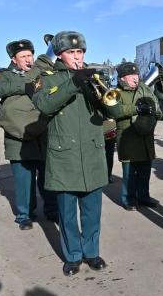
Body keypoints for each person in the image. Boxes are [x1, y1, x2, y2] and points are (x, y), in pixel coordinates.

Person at [32, 31, 108, 276]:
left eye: (80, 51)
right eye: (71, 52)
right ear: (60, 54)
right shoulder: (48, 78)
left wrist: (102, 91)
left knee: (92, 210)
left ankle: (92, 252)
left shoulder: (93, 76)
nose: (77, 56)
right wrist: (73, 83)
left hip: (92, 152)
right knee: (67, 213)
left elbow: (113, 111)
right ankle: (73, 255)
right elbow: (44, 105)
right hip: (64, 155)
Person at [0, 39, 58, 230]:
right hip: (18, 139)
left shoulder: (41, 73)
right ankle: (24, 215)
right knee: (23, 180)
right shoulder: (5, 75)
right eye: (23, 56)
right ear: (13, 59)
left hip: (42, 134)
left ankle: (52, 211)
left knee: (48, 178)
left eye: (30, 55)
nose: (28, 59)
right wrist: (24, 85)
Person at [105, 62, 162, 210]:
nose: (136, 79)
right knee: (129, 173)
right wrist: (136, 109)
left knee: (145, 171)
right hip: (128, 138)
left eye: (137, 75)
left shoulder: (145, 89)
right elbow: (114, 111)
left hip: (145, 137)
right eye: (131, 76)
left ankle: (144, 196)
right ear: (123, 78)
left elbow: (156, 105)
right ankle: (128, 199)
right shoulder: (117, 92)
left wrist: (155, 111)